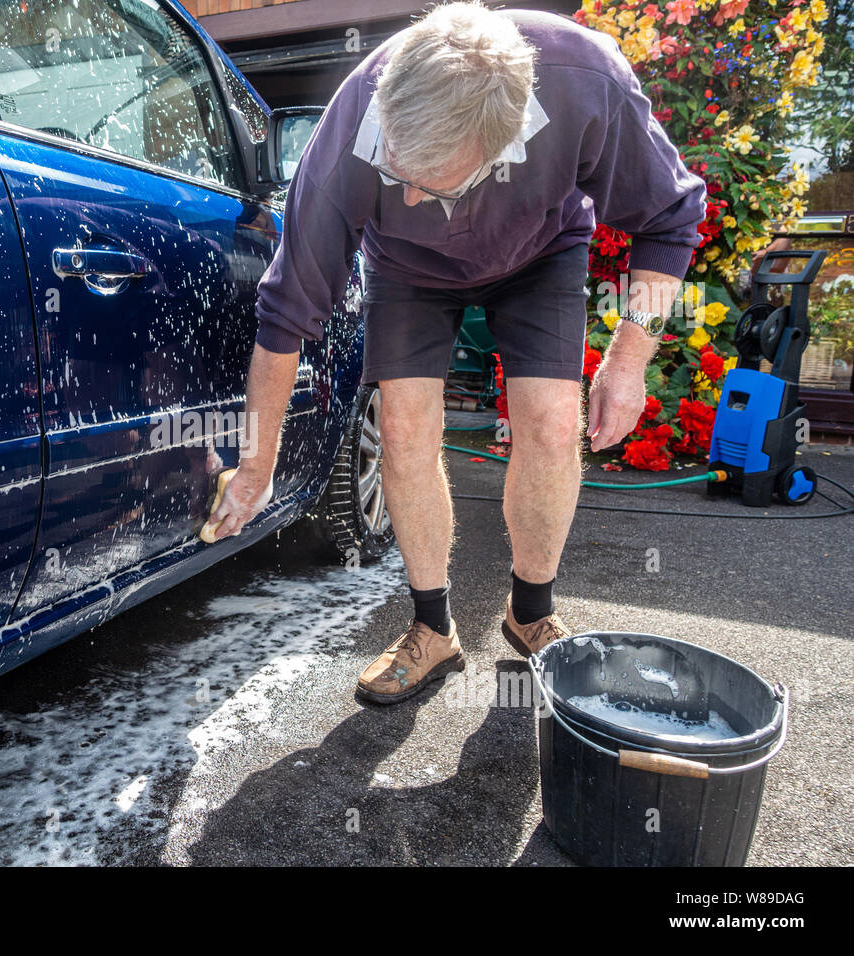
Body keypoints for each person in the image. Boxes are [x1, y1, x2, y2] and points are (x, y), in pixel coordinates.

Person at [204, 2, 706, 703]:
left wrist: (627, 361)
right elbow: (286, 314)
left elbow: (672, 216)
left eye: (428, 181)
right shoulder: (351, 126)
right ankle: (432, 630)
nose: (405, 191)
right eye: (396, 170)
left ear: (507, 145)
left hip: (543, 251)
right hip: (407, 269)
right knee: (405, 430)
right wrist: (255, 465)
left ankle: (531, 613)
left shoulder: (584, 79)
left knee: (551, 423)